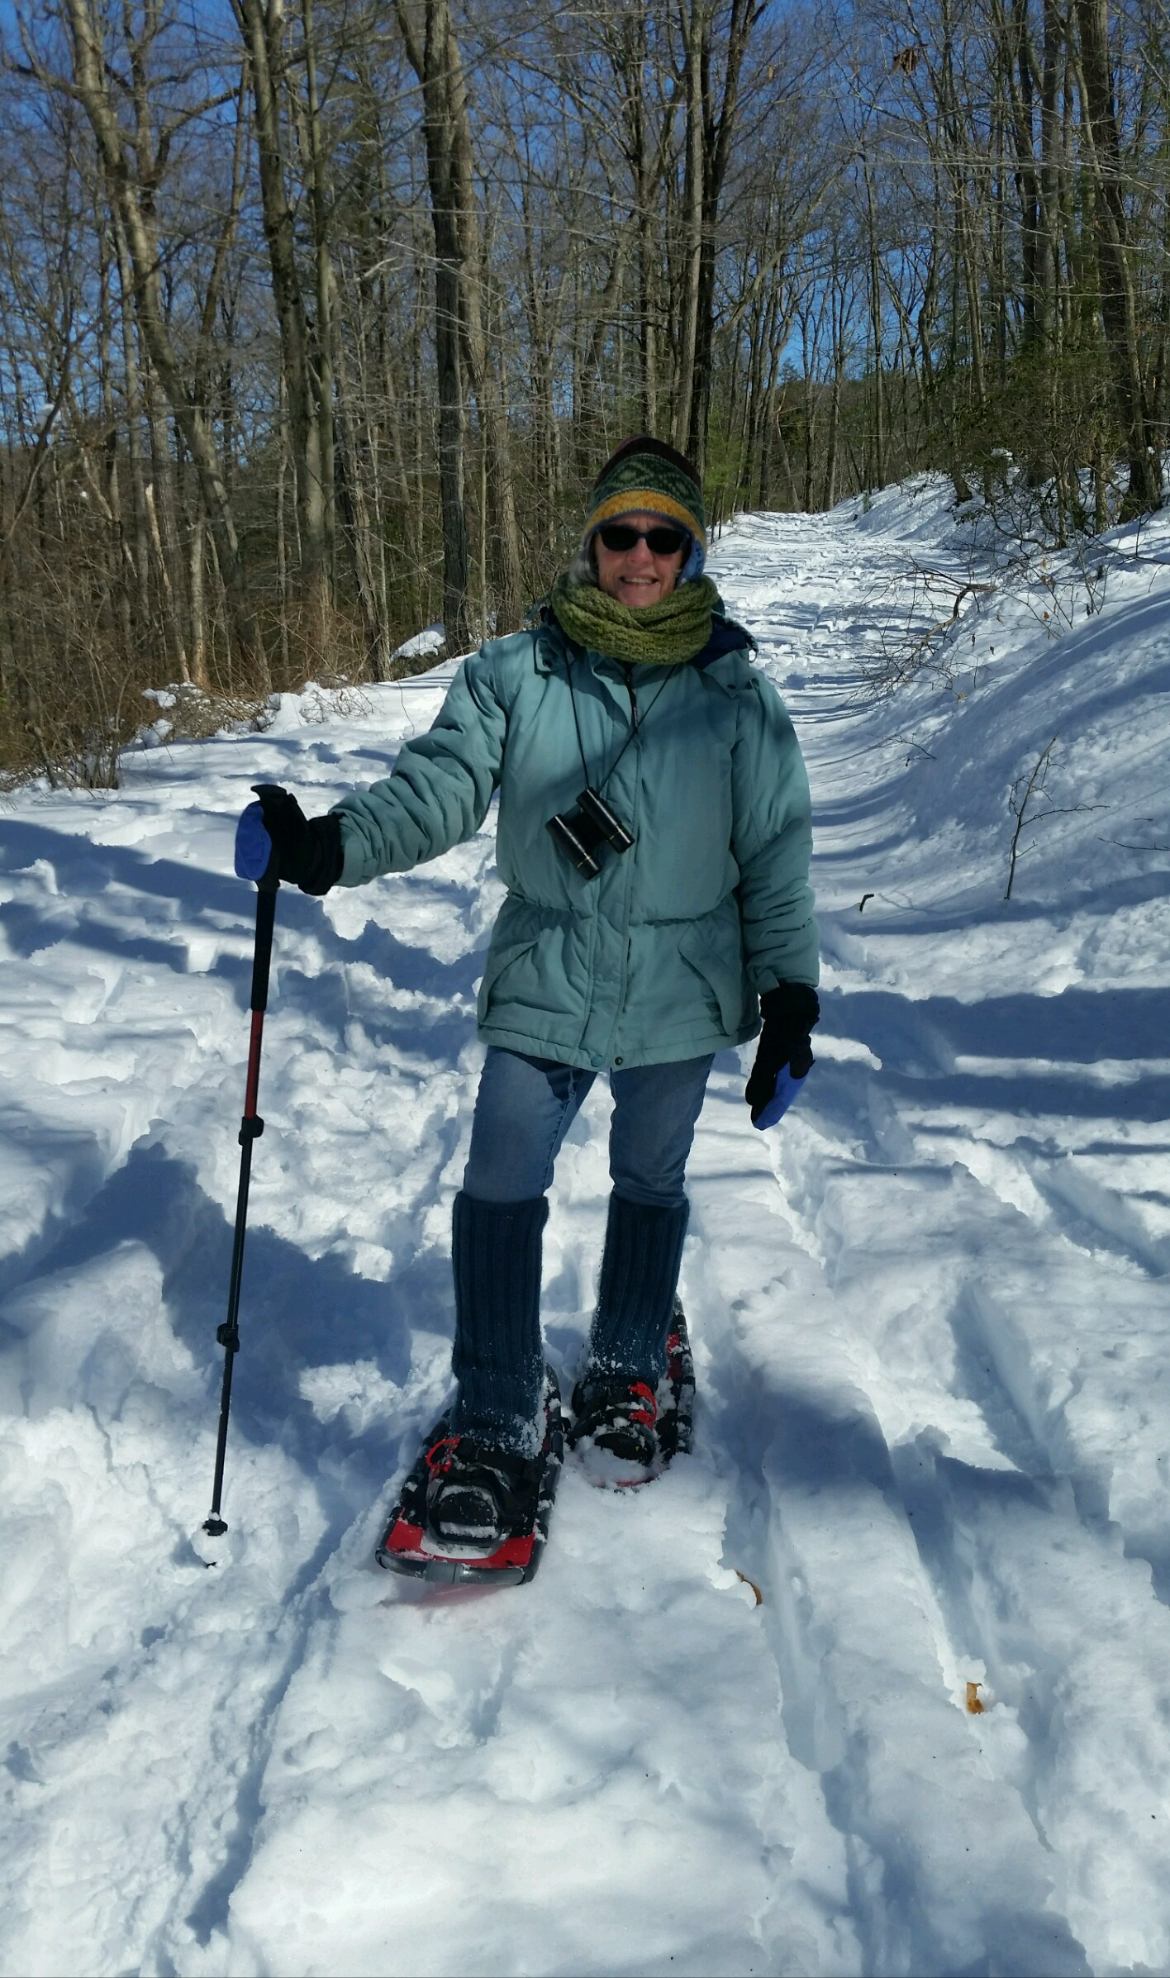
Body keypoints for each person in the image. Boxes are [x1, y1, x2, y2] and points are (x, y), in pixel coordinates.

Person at [244, 436, 818, 1556]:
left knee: (650, 1176)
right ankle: (501, 1399)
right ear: (592, 543)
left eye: (663, 537)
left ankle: (627, 1357)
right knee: (501, 1179)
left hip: (682, 984)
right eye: (621, 534)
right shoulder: (517, 673)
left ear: (690, 551)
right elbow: (439, 787)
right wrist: (327, 845)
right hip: (547, 968)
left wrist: (789, 995)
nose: (640, 557)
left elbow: (776, 859)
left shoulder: (738, 698)